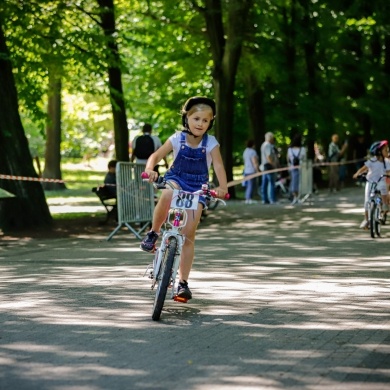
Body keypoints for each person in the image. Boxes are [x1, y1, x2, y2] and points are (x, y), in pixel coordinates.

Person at [140, 96, 228, 300]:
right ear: (186, 118)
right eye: (196, 118)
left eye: (205, 120)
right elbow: (156, 156)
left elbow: (219, 166)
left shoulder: (211, 143)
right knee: (168, 192)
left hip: (198, 187)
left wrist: (222, 186)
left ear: (210, 122)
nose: (200, 123)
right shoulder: (177, 138)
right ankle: (154, 232)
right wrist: (150, 169)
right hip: (176, 179)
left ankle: (183, 283)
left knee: (189, 234)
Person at [352, 140, 390, 229]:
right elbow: (364, 168)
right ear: (379, 152)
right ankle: (366, 219)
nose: (387, 152)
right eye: (385, 150)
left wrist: (388, 174)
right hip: (371, 182)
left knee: (383, 187)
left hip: (381, 180)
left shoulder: (387, 162)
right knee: (367, 201)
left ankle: (384, 204)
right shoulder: (372, 161)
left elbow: (388, 171)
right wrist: (357, 173)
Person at [260, 132, 279, 204]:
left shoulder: (263, 145)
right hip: (269, 166)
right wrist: (273, 164)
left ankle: (264, 199)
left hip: (264, 166)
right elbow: (268, 156)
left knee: (264, 183)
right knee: (271, 183)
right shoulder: (268, 145)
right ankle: (272, 199)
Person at [287, 135, 306, 205]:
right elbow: (304, 159)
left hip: (292, 167)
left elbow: (288, 159)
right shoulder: (302, 149)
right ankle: (298, 197)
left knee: (293, 182)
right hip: (300, 167)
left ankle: (294, 196)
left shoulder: (290, 150)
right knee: (300, 183)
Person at [242, 140, 260, 204]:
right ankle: (249, 198)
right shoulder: (252, 152)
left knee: (248, 185)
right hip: (251, 170)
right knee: (251, 185)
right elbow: (254, 162)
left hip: (246, 170)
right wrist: (257, 170)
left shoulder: (245, 151)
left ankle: (248, 198)